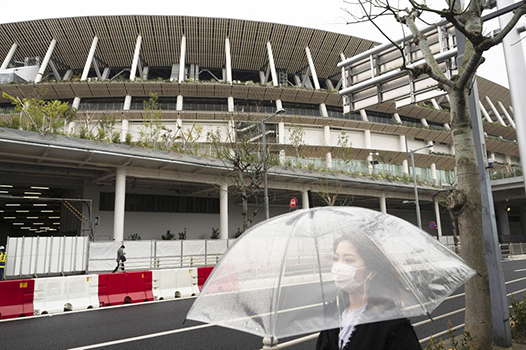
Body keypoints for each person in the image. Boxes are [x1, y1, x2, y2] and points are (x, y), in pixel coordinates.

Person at [316, 234, 421, 350]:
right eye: (336, 259)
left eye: (349, 260)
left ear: (371, 271)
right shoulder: (333, 312)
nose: (339, 266)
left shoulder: (391, 323)